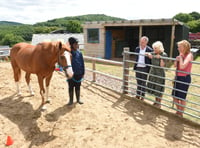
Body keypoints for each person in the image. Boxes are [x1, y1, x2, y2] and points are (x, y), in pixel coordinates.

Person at [172, 40, 193, 117]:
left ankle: (180, 113)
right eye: (178, 47)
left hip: (184, 78)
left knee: (182, 97)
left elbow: (182, 66)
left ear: (185, 47)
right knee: (174, 96)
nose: (178, 48)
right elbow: (175, 65)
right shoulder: (181, 54)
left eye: (180, 47)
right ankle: (179, 111)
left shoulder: (189, 55)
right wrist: (176, 59)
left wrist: (180, 58)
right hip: (178, 77)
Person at [146, 41, 168, 108]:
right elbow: (145, 53)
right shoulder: (153, 53)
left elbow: (162, 65)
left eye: (155, 48)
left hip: (159, 73)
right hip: (153, 72)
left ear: (159, 48)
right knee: (154, 86)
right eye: (154, 48)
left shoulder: (163, 54)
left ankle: (159, 103)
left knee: (159, 87)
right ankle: (156, 101)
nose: (154, 49)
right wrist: (149, 54)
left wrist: (160, 58)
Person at [67, 37, 85, 105]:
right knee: (71, 87)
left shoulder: (79, 53)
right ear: (71, 45)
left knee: (78, 86)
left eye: (77, 43)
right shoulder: (68, 53)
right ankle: (71, 100)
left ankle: (78, 99)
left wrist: (83, 72)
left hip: (79, 73)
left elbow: (82, 63)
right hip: (71, 73)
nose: (77, 45)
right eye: (76, 44)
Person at [134, 36, 152, 100]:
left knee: (143, 82)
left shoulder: (149, 50)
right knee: (138, 82)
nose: (141, 43)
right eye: (140, 42)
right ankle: (138, 95)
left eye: (142, 42)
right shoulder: (137, 49)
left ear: (146, 42)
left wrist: (150, 56)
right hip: (138, 67)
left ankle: (142, 96)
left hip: (145, 68)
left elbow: (151, 59)